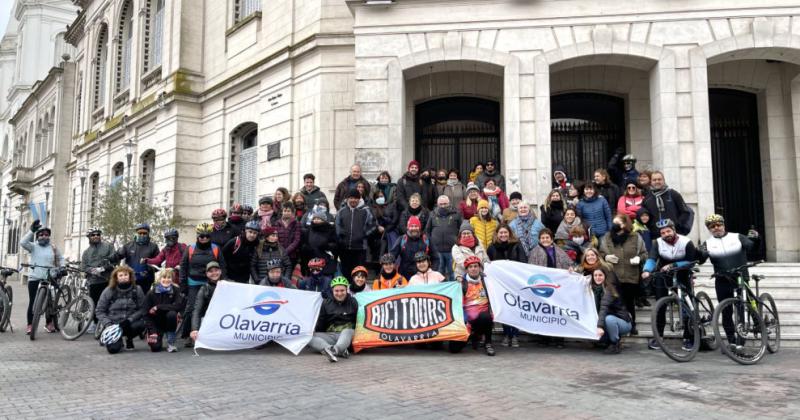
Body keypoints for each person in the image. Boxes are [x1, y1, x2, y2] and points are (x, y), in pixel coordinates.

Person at [697, 214, 759, 346]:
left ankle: (745, 337)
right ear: (709, 229)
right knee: (726, 312)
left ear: (723, 225)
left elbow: (751, 247)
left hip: (740, 278)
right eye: (712, 226)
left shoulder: (737, 237)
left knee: (743, 308)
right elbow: (700, 260)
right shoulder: (708, 243)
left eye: (718, 225)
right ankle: (731, 341)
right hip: (722, 280)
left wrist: (756, 238)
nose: (716, 228)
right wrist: (700, 253)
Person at [641, 218, 698, 350]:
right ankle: (659, 337)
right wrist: (647, 270)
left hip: (683, 272)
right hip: (664, 273)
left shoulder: (686, 242)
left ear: (674, 230)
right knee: (660, 304)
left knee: (686, 304)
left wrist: (674, 264)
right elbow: (652, 258)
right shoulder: (658, 243)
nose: (666, 234)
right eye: (663, 233)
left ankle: (688, 337)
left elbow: (692, 261)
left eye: (668, 231)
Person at [599, 214, 647, 335]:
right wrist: (606, 257)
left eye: (618, 222)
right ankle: (615, 328)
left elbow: (644, 253)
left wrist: (638, 258)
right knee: (614, 302)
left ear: (625, 224)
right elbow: (600, 253)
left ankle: (632, 325)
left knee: (629, 302)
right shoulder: (607, 237)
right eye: (614, 222)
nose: (615, 225)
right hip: (613, 276)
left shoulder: (635, 237)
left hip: (630, 276)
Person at [180, 223, 226, 347]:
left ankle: (213, 334)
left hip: (211, 282)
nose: (204, 238)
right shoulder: (190, 248)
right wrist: (183, 285)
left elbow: (222, 266)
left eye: (207, 236)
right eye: (202, 236)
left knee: (212, 309)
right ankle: (188, 335)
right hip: (193, 282)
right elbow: (183, 267)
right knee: (191, 309)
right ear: (197, 236)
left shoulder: (216, 248)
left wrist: (223, 282)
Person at [21, 221, 66, 334]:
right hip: (35, 277)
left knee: (50, 302)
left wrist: (63, 267)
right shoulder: (33, 246)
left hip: (50, 277)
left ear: (49, 236)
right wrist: (32, 231)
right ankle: (30, 325)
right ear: (37, 236)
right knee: (32, 302)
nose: (44, 236)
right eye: (41, 234)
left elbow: (60, 259)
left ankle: (49, 323)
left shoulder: (53, 247)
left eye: (46, 234)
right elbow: (23, 242)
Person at [486, 224, 526, 347]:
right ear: (497, 234)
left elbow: (523, 263)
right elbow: (489, 264)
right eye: (501, 233)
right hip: (500, 285)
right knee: (504, 309)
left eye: (505, 232)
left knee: (515, 309)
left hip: (514, 284)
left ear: (510, 233)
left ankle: (514, 335)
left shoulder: (517, 245)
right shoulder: (491, 248)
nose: (503, 235)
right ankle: (506, 334)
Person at [96, 265, 145, 353]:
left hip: (129, 323)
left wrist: (130, 320)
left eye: (126, 275)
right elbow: (99, 311)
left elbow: (142, 309)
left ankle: (129, 338)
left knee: (141, 324)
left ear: (130, 276)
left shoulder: (137, 289)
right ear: (116, 278)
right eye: (121, 275)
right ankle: (118, 341)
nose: (123, 277)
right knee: (113, 350)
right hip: (113, 324)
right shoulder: (109, 290)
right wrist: (108, 324)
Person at [307, 276, 358, 362]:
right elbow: (321, 321)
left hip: (349, 334)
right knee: (307, 337)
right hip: (331, 334)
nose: (339, 293)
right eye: (336, 291)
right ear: (332, 291)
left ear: (346, 290)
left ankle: (335, 351)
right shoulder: (326, 302)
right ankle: (334, 349)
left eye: (342, 290)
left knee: (347, 331)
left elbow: (358, 320)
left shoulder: (353, 301)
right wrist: (315, 331)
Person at [335, 189, 376, 281]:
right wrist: (341, 238)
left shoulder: (366, 211)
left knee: (359, 273)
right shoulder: (341, 212)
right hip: (344, 249)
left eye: (356, 198)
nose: (353, 200)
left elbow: (373, 225)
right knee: (346, 272)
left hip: (360, 248)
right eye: (351, 198)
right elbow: (337, 226)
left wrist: (364, 234)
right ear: (348, 199)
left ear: (359, 199)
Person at [458, 256, 495, 356]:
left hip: (483, 315)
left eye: (475, 266)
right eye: (470, 267)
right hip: (467, 318)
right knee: (454, 349)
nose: (473, 269)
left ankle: (488, 343)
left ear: (480, 268)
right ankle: (474, 336)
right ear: (467, 269)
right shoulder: (461, 283)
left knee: (486, 317)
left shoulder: (486, 281)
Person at [81, 227, 116, 333]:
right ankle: (96, 323)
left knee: (110, 302)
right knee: (96, 304)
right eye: (93, 235)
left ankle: (110, 323)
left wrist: (103, 268)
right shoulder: (86, 252)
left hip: (107, 280)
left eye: (98, 234)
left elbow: (115, 260)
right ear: (89, 237)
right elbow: (84, 267)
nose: (96, 236)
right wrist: (91, 270)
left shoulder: (108, 247)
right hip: (94, 281)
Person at [592, 266, 632, 354]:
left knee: (609, 319)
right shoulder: (597, 288)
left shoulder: (609, 289)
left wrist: (599, 327)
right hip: (612, 320)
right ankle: (607, 341)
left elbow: (604, 307)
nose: (597, 277)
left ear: (605, 276)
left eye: (600, 275)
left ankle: (615, 343)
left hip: (624, 323)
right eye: (595, 275)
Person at [143, 268, 184, 353]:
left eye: (169, 277)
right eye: (164, 277)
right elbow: (146, 313)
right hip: (155, 323)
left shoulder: (176, 290)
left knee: (172, 314)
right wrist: (152, 330)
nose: (166, 280)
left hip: (169, 321)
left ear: (172, 279)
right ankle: (154, 334)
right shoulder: (152, 292)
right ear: (159, 279)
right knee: (155, 348)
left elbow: (178, 306)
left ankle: (171, 342)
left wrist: (158, 307)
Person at [642, 171, 693, 236]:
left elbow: (685, 212)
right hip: (656, 235)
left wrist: (676, 224)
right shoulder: (647, 198)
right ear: (651, 182)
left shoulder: (673, 194)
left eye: (659, 179)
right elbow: (644, 215)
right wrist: (651, 227)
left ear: (664, 180)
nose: (657, 182)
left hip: (674, 233)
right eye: (654, 180)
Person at [115, 223, 159, 294]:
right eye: (140, 233)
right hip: (130, 279)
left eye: (144, 233)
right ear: (136, 233)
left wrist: (149, 269)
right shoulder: (128, 246)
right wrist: (114, 256)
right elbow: (117, 257)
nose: (142, 235)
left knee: (144, 301)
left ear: (148, 234)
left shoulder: (154, 247)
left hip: (146, 280)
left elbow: (158, 264)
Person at [425, 195, 462, 282]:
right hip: (437, 250)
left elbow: (461, 229)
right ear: (437, 204)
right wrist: (431, 244)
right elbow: (427, 230)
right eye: (441, 204)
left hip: (452, 250)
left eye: (445, 204)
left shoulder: (456, 214)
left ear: (449, 203)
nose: (443, 206)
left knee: (452, 273)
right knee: (438, 274)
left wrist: (458, 242)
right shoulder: (432, 214)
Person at [390, 216, 438, 281]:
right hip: (405, 276)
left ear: (419, 227)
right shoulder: (402, 239)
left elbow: (435, 258)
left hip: (423, 276)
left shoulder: (426, 239)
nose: (414, 228)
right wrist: (388, 269)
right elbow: (392, 256)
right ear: (408, 227)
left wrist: (431, 272)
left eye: (416, 226)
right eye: (411, 226)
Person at [189, 262, 225, 345]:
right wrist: (195, 329)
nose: (214, 273)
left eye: (216, 270)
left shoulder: (229, 284)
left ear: (220, 271)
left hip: (226, 318)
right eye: (211, 271)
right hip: (209, 319)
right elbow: (197, 310)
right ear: (207, 274)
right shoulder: (204, 289)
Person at [300, 207, 338, 279]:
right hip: (312, 260)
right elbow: (304, 243)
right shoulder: (309, 230)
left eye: (318, 219)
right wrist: (306, 248)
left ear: (323, 220)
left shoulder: (330, 229)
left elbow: (335, 244)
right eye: (314, 219)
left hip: (326, 260)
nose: (316, 220)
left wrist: (327, 246)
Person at [371, 188, 400, 260]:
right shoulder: (372, 208)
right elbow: (371, 221)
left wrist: (387, 229)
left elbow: (394, 220)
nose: (380, 198)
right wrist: (377, 227)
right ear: (375, 198)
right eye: (378, 197)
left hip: (389, 232)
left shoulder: (389, 206)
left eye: (382, 196)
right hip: (377, 236)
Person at [274, 202, 301, 266]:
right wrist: (281, 250)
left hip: (292, 255)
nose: (286, 213)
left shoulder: (296, 223)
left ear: (292, 212)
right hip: (279, 253)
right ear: (282, 212)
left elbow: (297, 240)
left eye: (288, 211)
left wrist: (286, 251)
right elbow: (275, 238)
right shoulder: (277, 223)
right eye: (285, 211)